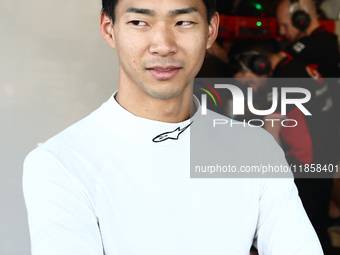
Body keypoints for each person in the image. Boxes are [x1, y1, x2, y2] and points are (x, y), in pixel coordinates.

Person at [23, 1, 323, 254]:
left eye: (183, 22)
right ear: (108, 29)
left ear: (210, 30)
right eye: (140, 22)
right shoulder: (61, 163)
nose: (163, 45)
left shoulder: (256, 149)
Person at [228, 38, 340, 255]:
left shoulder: (280, 82)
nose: (251, 88)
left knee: (292, 238)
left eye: (248, 82)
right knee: (316, 232)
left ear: (257, 63)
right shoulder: (297, 66)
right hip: (324, 164)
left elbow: (272, 137)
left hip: (304, 169)